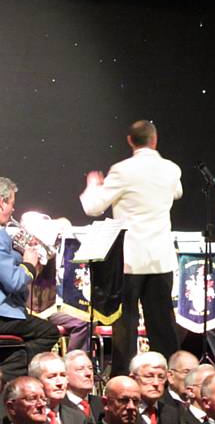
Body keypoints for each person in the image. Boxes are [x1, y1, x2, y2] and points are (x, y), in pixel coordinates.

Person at [79, 120, 183, 376]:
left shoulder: (122, 170)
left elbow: (93, 208)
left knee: (125, 323)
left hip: (130, 259)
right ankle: (168, 378)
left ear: (130, 141)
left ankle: (122, 378)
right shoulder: (171, 168)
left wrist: (94, 185)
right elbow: (177, 192)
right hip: (160, 258)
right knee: (162, 324)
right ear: (155, 140)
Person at [0, 177, 59, 381]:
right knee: (49, 332)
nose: (13, 211)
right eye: (12, 205)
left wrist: (20, 254)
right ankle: (13, 375)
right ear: (1, 202)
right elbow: (15, 282)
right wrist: (29, 263)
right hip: (3, 316)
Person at [27, 352, 86, 424]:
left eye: (63, 375)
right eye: (52, 377)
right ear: (36, 381)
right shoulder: (27, 418)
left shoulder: (78, 417)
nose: (59, 383)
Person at [129, 351, 179, 424]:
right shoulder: (125, 412)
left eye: (161, 377)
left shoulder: (173, 414)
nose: (156, 383)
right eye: (149, 377)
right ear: (133, 379)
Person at [63, 350, 103, 423]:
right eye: (80, 369)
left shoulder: (102, 404)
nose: (88, 373)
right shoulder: (60, 406)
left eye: (90, 368)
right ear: (65, 376)